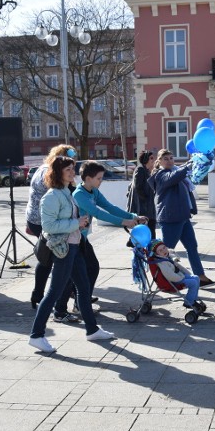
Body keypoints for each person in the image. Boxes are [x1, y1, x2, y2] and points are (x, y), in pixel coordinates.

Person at [29, 156, 113, 354]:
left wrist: (78, 221)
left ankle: (92, 330)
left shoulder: (66, 192)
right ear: (56, 173)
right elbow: (48, 227)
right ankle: (36, 335)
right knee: (53, 294)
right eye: (66, 169)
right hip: (63, 250)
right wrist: (76, 223)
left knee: (84, 289)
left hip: (74, 247)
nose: (71, 172)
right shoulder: (51, 196)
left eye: (71, 168)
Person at [71, 160, 146, 315]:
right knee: (85, 270)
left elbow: (109, 207)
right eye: (99, 178)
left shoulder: (93, 191)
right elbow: (98, 213)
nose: (101, 181)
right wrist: (124, 222)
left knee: (87, 270)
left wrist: (133, 216)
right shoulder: (79, 194)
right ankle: (78, 305)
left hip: (82, 238)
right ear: (88, 178)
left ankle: (80, 302)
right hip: (73, 239)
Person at [25, 144, 84, 314]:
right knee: (52, 255)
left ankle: (41, 295)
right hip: (45, 220)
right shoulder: (49, 173)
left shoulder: (43, 168)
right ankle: (56, 301)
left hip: (37, 218)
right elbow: (54, 198)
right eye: (70, 166)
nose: (73, 170)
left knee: (48, 256)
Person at [148, 149, 215, 287]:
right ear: (159, 161)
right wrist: (190, 164)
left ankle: (200, 276)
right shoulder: (160, 175)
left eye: (171, 157)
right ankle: (164, 279)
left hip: (183, 216)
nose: (169, 160)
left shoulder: (177, 172)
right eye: (165, 158)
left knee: (192, 247)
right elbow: (173, 177)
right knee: (165, 251)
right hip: (171, 218)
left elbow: (184, 180)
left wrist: (197, 163)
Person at [147, 239, 203, 311]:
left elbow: (177, 264)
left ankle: (193, 300)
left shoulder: (166, 257)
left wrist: (186, 273)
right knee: (193, 283)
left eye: (164, 248)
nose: (164, 251)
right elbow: (169, 275)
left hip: (179, 276)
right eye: (160, 250)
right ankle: (189, 302)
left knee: (196, 278)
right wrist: (181, 279)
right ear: (156, 254)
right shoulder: (161, 262)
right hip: (174, 280)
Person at [126, 150, 157, 247]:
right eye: (151, 158)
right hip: (141, 205)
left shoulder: (146, 170)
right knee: (150, 223)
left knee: (146, 224)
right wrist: (145, 197)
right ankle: (153, 245)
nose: (153, 160)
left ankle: (132, 241)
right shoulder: (140, 169)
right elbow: (137, 187)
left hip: (147, 204)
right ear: (146, 159)